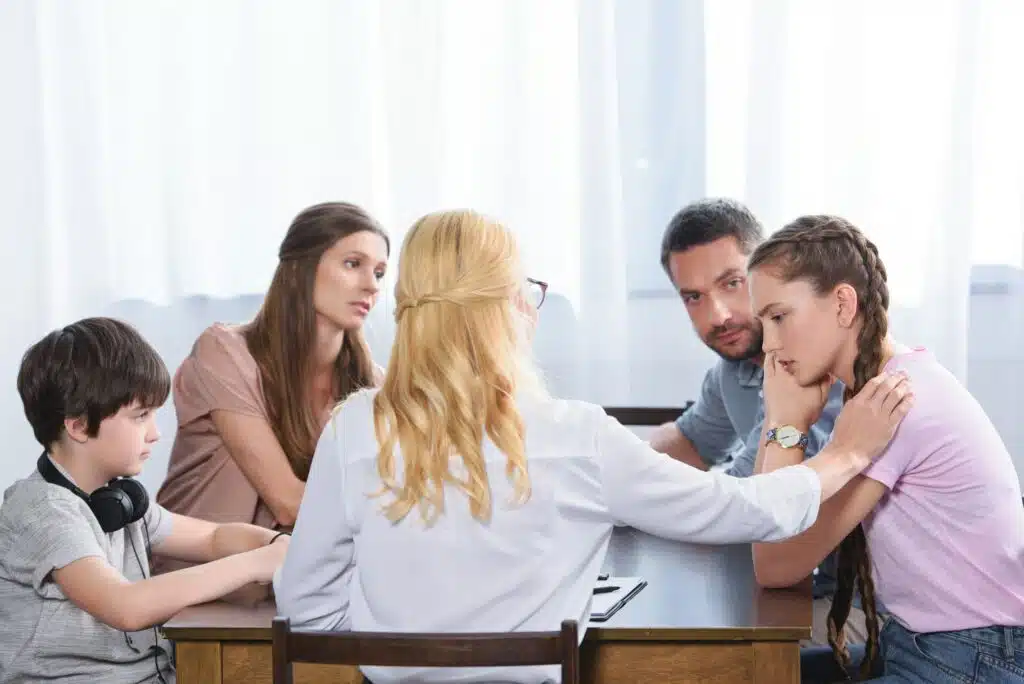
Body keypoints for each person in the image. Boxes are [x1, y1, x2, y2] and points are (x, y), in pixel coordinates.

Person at [273, 208, 911, 684]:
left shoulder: (352, 430)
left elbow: (306, 608)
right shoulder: (576, 437)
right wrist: (846, 456)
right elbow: (748, 510)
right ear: (508, 309)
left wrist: (400, 643)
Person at [747, 215, 1024, 683]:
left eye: (779, 317)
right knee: (752, 672)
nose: (770, 345)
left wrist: (787, 424)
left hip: (974, 660)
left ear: (842, 303)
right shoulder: (873, 394)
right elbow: (771, 528)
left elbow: (777, 563)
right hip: (921, 644)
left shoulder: (894, 404)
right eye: (763, 323)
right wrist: (779, 421)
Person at [0, 317, 289, 684]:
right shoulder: (42, 511)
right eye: (140, 417)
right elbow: (126, 607)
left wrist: (278, 544)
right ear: (77, 425)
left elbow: (212, 538)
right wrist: (256, 564)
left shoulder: (119, 501)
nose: (156, 433)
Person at [648, 198, 860, 649]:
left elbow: (752, 506)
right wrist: (601, 466)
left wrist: (636, 491)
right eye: (694, 297)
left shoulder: (811, 357)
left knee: (681, 653)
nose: (718, 314)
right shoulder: (735, 368)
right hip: (793, 591)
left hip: (873, 613)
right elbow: (689, 441)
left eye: (732, 283)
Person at [154, 202, 389, 582]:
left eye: (379, 272)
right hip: (197, 597)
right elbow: (289, 503)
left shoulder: (373, 384)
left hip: (296, 592)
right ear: (301, 267)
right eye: (353, 264)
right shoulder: (224, 354)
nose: (372, 284)